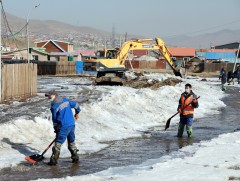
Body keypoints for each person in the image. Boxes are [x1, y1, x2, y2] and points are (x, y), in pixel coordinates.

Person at [45, 90, 81, 165]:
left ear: (55, 96)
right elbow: (77, 105)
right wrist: (77, 112)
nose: (48, 98)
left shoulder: (54, 107)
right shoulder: (66, 101)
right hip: (71, 125)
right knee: (71, 142)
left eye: (49, 96)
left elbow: (54, 119)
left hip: (63, 126)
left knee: (57, 144)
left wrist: (56, 129)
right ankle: (75, 158)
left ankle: (53, 161)